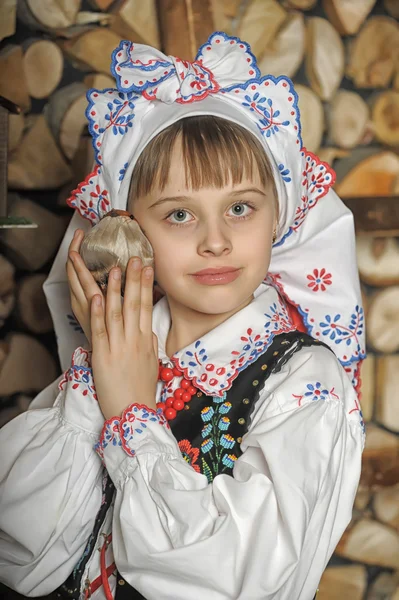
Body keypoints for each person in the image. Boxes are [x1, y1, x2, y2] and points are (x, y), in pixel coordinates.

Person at [0, 32, 366, 600]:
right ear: (129, 230)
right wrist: (94, 381)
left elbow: (233, 580)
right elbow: (21, 554)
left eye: (240, 208)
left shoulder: (306, 382)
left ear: (278, 218)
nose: (215, 241)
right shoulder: (120, 356)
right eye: (178, 215)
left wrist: (133, 417)